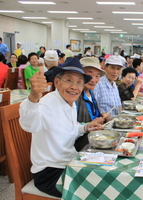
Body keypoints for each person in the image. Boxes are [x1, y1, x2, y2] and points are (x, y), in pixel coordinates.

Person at [19, 57, 103, 197]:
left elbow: (69, 129)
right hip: (49, 173)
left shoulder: (70, 102)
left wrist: (85, 127)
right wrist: (33, 98)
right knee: (96, 190)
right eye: (69, 80)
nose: (74, 87)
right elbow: (30, 125)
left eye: (79, 82)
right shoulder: (47, 103)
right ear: (57, 82)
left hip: (69, 164)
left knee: (103, 176)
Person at [75, 57, 107, 151]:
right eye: (89, 75)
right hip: (81, 145)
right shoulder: (74, 96)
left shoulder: (91, 93)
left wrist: (103, 117)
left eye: (97, 76)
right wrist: (90, 124)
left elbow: (94, 115)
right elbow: (70, 126)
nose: (93, 80)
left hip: (96, 140)